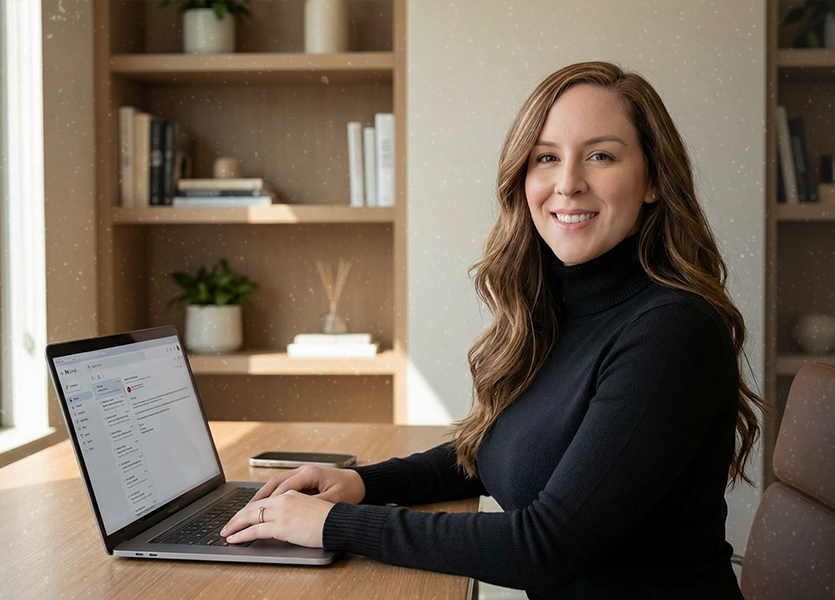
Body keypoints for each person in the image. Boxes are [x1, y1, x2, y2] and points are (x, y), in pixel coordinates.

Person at [222, 61, 763, 599]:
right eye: (546, 158)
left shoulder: (671, 333)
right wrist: (366, 483)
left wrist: (331, 525)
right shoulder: (559, 309)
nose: (568, 183)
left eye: (601, 156)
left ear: (653, 181)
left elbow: (544, 548)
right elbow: (497, 451)